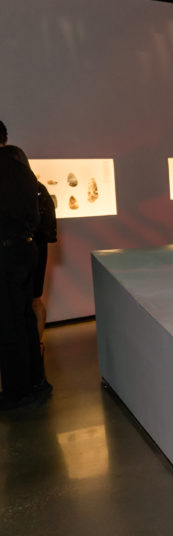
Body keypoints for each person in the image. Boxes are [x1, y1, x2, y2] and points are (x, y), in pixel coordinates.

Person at [0, 143, 47, 410]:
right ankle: (35, 381)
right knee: (25, 317)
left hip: (7, 253)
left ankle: (17, 392)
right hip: (26, 249)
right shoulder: (21, 168)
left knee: (9, 322)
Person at [1, 145, 57, 348]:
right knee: (30, 302)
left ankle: (35, 346)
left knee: (30, 303)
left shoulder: (33, 189)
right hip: (31, 252)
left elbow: (44, 226)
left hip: (28, 252)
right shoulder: (33, 187)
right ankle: (35, 348)